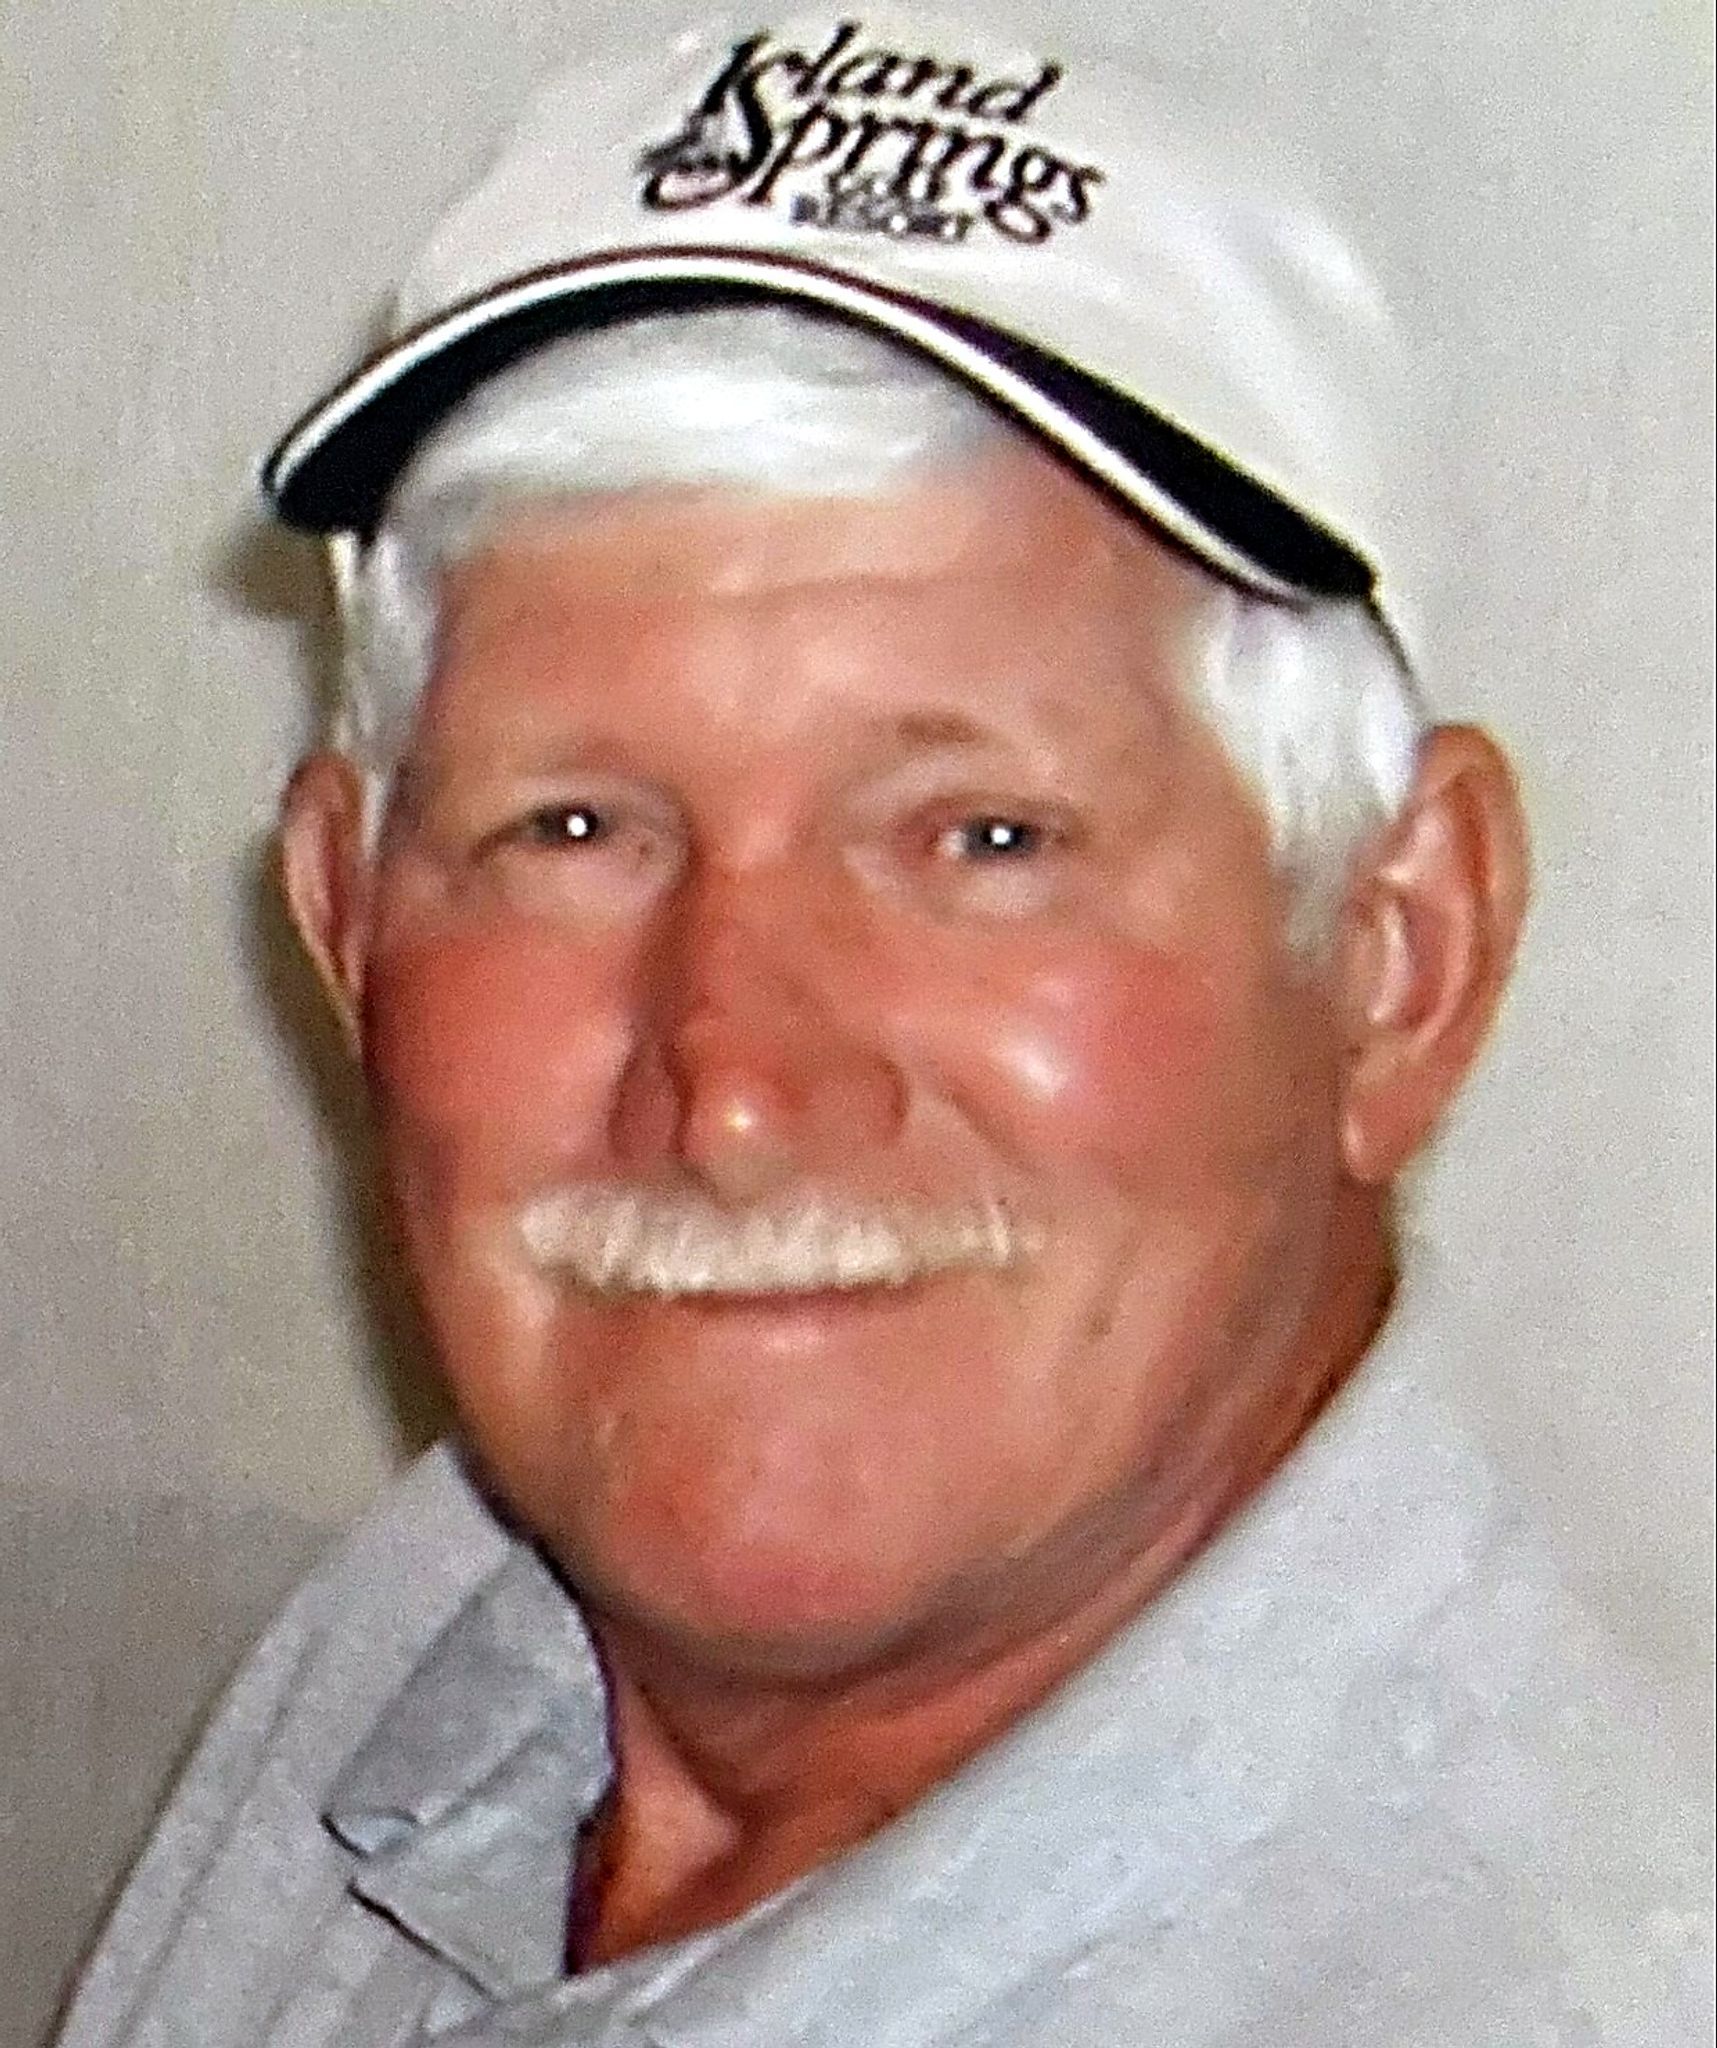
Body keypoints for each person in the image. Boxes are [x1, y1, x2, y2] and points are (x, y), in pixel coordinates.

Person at [55, 11, 1707, 2045]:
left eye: (980, 840)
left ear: (1397, 959)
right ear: (344, 921)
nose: (733, 1094)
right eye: (572, 829)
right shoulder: (474, 1612)